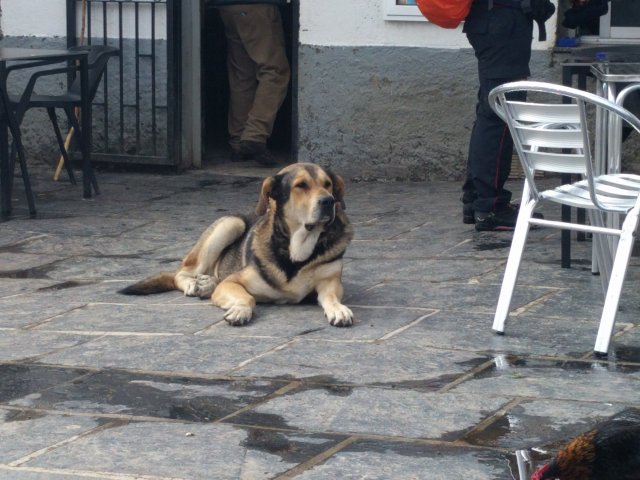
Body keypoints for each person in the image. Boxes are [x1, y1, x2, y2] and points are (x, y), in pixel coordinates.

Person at [462, 0, 541, 231]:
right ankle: (490, 207)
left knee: (490, 115)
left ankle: (477, 201)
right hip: (503, 26)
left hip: (494, 23)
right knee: (500, 117)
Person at [217, 3, 290, 166]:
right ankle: (255, 135)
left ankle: (238, 142)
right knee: (275, 71)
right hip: (257, 7)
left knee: (242, 77)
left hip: (227, 8)